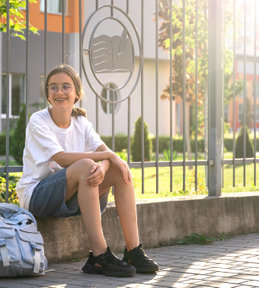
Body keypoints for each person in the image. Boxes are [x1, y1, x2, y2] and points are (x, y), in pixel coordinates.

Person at [16, 64, 159, 277]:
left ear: (77, 93)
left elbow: (105, 152)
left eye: (66, 86)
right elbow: (62, 159)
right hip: (38, 196)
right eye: (53, 87)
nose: (59, 92)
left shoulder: (80, 121)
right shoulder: (39, 120)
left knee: (120, 171)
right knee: (86, 165)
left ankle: (133, 251)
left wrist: (106, 163)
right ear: (47, 94)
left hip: (72, 196)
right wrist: (107, 157)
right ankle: (99, 257)